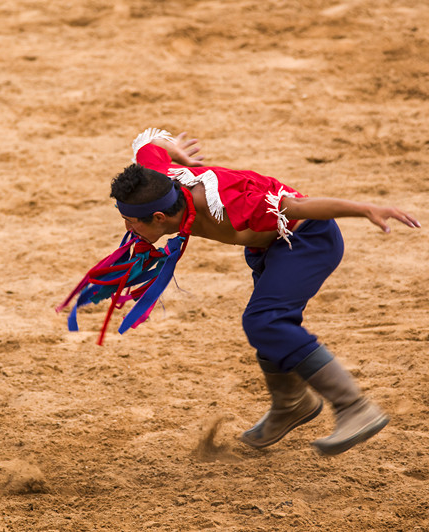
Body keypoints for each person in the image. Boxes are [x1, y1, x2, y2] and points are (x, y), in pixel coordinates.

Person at [108, 127, 420, 455]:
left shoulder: (230, 202)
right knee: (268, 326)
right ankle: (291, 403)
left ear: (159, 217)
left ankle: (354, 407)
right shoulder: (156, 180)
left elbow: (298, 207)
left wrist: (363, 209)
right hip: (267, 248)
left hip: (306, 241)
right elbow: (152, 144)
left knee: (266, 321)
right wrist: (179, 153)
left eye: (132, 222)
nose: (128, 229)